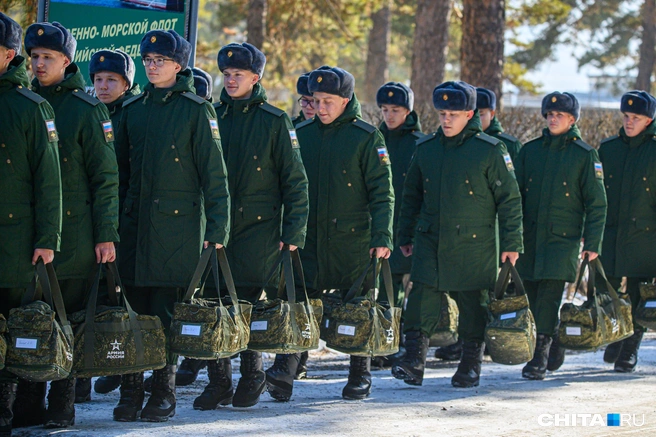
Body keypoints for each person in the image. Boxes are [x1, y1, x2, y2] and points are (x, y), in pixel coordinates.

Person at [114, 29, 230, 422]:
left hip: (176, 232)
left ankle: (162, 392)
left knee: (165, 313)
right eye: (147, 60)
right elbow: (120, 175)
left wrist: (217, 231)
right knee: (133, 312)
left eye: (159, 60)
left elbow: (215, 177)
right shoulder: (133, 110)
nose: (152, 65)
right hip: (134, 228)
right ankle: (130, 390)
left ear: (178, 66)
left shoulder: (196, 110)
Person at [198, 42, 308, 409]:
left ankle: (251, 374)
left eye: (238, 75)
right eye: (226, 75)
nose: (230, 80)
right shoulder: (210, 115)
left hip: (258, 233)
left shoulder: (276, 121)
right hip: (215, 230)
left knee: (245, 305)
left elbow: (295, 182)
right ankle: (218, 382)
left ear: (255, 78)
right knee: (213, 304)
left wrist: (292, 233)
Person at [393, 81, 523, 388]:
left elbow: (510, 200)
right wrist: (405, 235)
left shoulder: (490, 150)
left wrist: (511, 243)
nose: (446, 119)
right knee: (422, 296)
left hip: (474, 245)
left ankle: (469, 364)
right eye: (442, 113)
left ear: (470, 114)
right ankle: (414, 361)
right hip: (431, 239)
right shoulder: (426, 148)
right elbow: (411, 196)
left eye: (454, 113)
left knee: (472, 304)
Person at [24, 21, 120, 428]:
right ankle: (28, 399)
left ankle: (63, 401)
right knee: (29, 315)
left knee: (68, 317)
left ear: (66, 60)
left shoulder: (86, 109)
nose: (39, 63)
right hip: (27, 232)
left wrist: (105, 234)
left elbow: (105, 177)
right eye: (34, 56)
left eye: (48, 57)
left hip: (76, 233)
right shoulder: (22, 101)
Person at [296, 66, 394, 400]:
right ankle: (290, 364)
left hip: (353, 241)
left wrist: (383, 236)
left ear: (346, 100)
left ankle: (359, 373)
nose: (320, 108)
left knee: (359, 306)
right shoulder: (302, 134)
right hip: (309, 238)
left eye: (328, 101)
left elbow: (383, 193)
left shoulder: (366, 138)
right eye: (315, 100)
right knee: (302, 300)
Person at [515, 92, 607, 380]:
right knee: (531, 296)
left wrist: (592, 244)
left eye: (560, 116)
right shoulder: (529, 152)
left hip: (562, 241)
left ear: (572, 119)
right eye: (550, 114)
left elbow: (597, 203)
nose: (553, 119)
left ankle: (538, 358)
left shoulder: (584, 155)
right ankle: (552, 336)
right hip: (529, 239)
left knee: (550, 297)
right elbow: (513, 198)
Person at [0, 13, 62, 435]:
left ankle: (5, 413)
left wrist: (46, 238)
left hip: (14, 239)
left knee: (9, 325)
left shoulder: (31, 106)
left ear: (7, 55)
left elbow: (49, 180)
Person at [82, 48, 141, 400]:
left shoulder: (130, 115)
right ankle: (89, 371)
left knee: (120, 300)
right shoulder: (90, 111)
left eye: (111, 80)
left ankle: (123, 371)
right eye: (98, 80)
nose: (103, 86)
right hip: (89, 220)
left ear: (126, 83)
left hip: (121, 221)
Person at [598, 90, 656, 372]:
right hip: (610, 233)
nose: (629, 122)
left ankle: (629, 348)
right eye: (626, 116)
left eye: (637, 118)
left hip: (645, 236)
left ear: (649, 120)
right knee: (606, 289)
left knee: (639, 294)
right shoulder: (608, 149)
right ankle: (616, 335)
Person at [372, 81, 423, 368]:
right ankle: (385, 343)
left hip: (409, 228)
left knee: (409, 291)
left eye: (396, 110)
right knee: (386, 289)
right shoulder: (375, 139)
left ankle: (408, 343)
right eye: (385, 109)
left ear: (408, 111)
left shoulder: (419, 143)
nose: (389, 115)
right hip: (381, 228)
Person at [171, 66, 215, 390]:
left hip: (212, 222)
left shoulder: (211, 121)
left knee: (206, 298)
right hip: (182, 222)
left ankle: (200, 361)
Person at [476, 87, 522, 161]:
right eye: (471, 115)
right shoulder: (458, 141)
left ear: (492, 114)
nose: (475, 119)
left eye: (480, 114)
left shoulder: (510, 145)